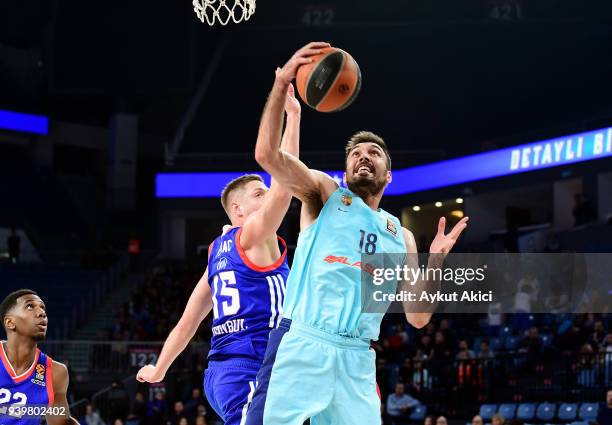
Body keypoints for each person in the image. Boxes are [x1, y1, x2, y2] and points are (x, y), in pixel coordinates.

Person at [246, 41, 469, 425]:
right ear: (346, 169)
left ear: (388, 175)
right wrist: (282, 83)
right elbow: (267, 156)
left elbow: (417, 316)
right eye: (355, 154)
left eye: (374, 153)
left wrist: (436, 261)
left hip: (357, 358)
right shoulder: (324, 194)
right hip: (303, 342)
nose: (363, 156)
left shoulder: (400, 235)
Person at [136, 84, 301, 425]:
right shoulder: (253, 235)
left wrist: (159, 368)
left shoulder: (217, 252)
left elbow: (187, 323)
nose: (268, 194)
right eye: (260, 192)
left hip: (223, 373)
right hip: (251, 366)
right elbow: (286, 187)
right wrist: (294, 119)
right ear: (238, 210)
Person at [0, 289, 79, 424]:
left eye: (42, 307)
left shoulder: (55, 373)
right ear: (10, 322)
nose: (42, 313)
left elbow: (60, 421)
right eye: (30, 306)